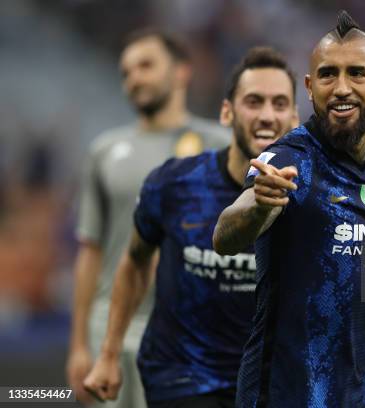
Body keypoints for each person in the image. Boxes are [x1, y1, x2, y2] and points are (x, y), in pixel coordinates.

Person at [213, 11, 365, 408]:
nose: (341, 88)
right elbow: (225, 235)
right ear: (309, 87)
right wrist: (259, 206)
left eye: (357, 74)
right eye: (328, 75)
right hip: (293, 393)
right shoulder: (291, 160)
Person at [83, 47, 299, 408]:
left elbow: (361, 244)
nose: (266, 115)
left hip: (265, 384)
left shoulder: (309, 196)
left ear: (294, 118)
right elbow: (134, 261)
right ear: (227, 112)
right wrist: (108, 354)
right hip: (180, 377)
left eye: (279, 104)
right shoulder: (174, 183)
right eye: (253, 101)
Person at [66, 29, 230, 407]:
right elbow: (90, 249)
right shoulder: (104, 151)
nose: (134, 78)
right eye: (126, 72)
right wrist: (78, 346)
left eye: (145, 65)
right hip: (111, 330)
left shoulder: (220, 145)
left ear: (181, 72)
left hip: (191, 332)